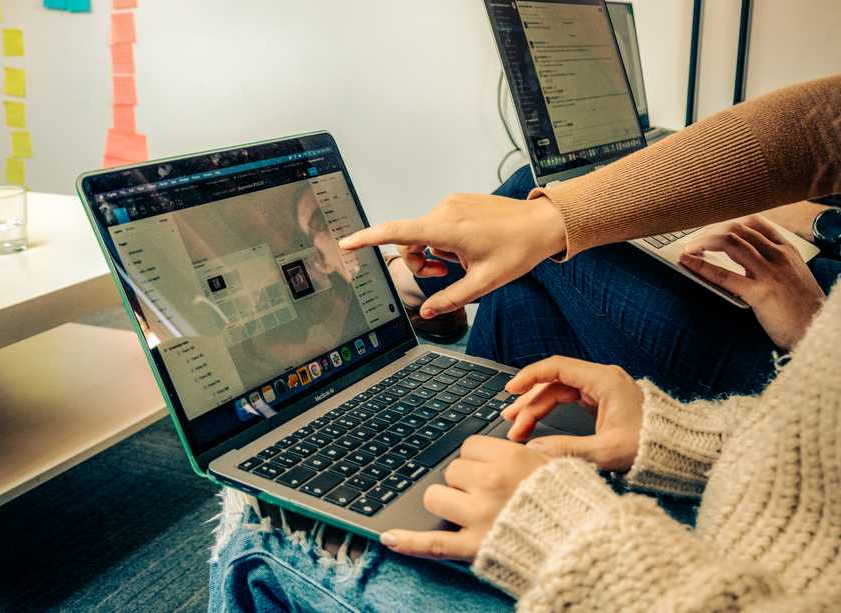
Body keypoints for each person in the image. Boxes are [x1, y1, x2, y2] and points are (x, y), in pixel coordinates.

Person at [209, 75, 841, 611]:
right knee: (522, 270)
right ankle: (439, 357)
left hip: (694, 576)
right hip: (775, 477)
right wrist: (675, 433)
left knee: (262, 525)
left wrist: (566, 530)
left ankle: (407, 299)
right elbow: (825, 126)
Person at [389, 167, 840, 402]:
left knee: (542, 193)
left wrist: (816, 329)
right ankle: (474, 459)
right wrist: (817, 220)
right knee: (515, 296)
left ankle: (421, 287)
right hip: (814, 290)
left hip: (805, 364)